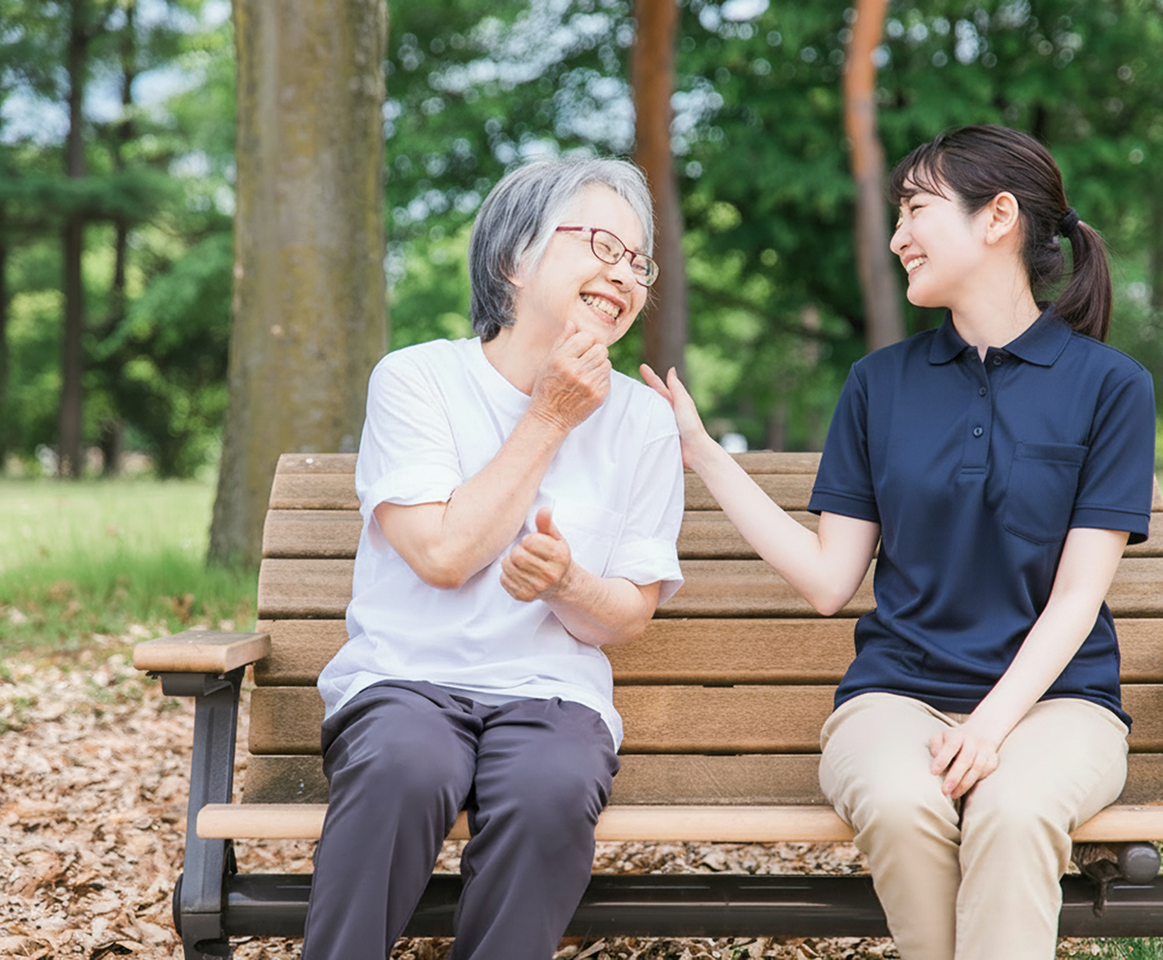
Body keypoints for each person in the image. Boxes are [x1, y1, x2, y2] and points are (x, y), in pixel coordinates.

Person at [642, 124, 1156, 960]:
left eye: (916, 209)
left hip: (1060, 705)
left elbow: (1076, 598)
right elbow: (826, 579)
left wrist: (989, 728)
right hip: (896, 697)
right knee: (899, 799)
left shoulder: (1111, 388)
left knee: (1014, 809)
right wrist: (701, 450)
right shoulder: (878, 384)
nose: (896, 237)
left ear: (997, 218)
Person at [300, 156, 684, 960]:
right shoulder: (417, 380)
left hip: (551, 697)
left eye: (637, 260)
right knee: (405, 763)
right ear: (514, 258)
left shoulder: (644, 422)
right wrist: (549, 417)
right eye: (601, 247)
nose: (623, 274)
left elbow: (630, 614)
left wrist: (567, 581)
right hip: (406, 680)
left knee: (551, 788)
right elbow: (442, 555)